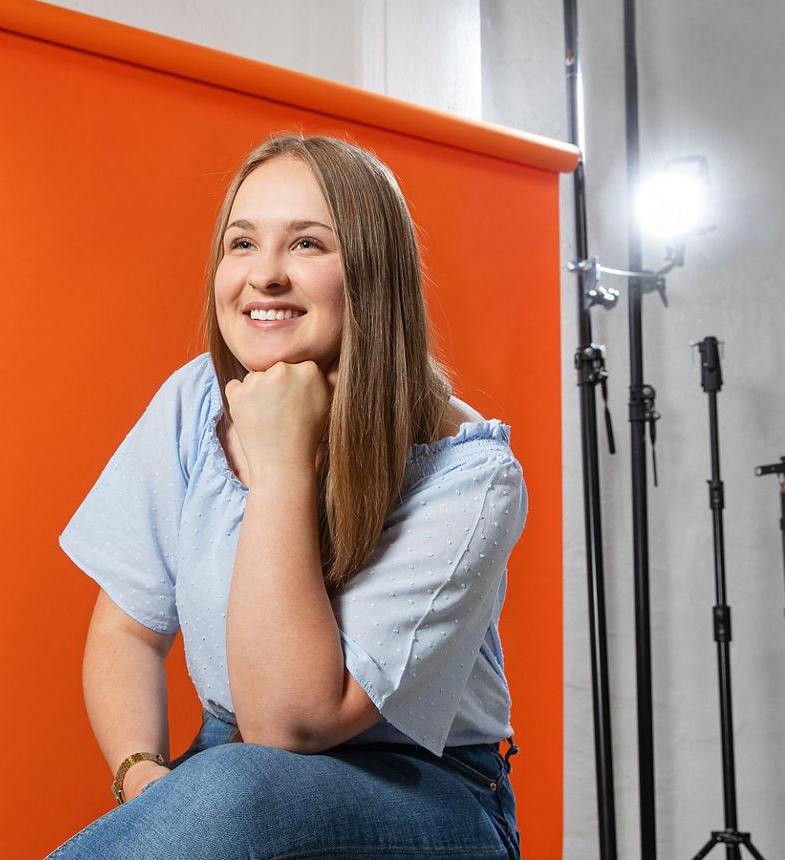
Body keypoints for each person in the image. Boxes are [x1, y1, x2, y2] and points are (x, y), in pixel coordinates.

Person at [45, 134, 526, 859]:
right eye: (242, 243)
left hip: (425, 789)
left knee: (235, 786)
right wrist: (144, 777)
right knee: (227, 785)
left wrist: (280, 466)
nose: (264, 275)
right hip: (227, 770)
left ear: (372, 272)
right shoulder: (192, 401)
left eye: (306, 244)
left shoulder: (471, 474)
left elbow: (290, 723)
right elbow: (128, 631)